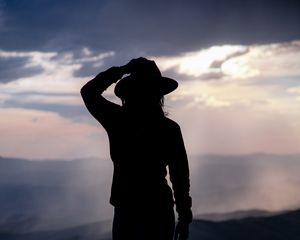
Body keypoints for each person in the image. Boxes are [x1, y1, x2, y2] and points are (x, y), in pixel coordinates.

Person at [81, 57, 192, 240]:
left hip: (127, 209)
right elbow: (179, 176)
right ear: (159, 95)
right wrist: (184, 217)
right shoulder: (168, 128)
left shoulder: (118, 120)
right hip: (157, 210)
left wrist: (122, 69)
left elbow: (88, 92)